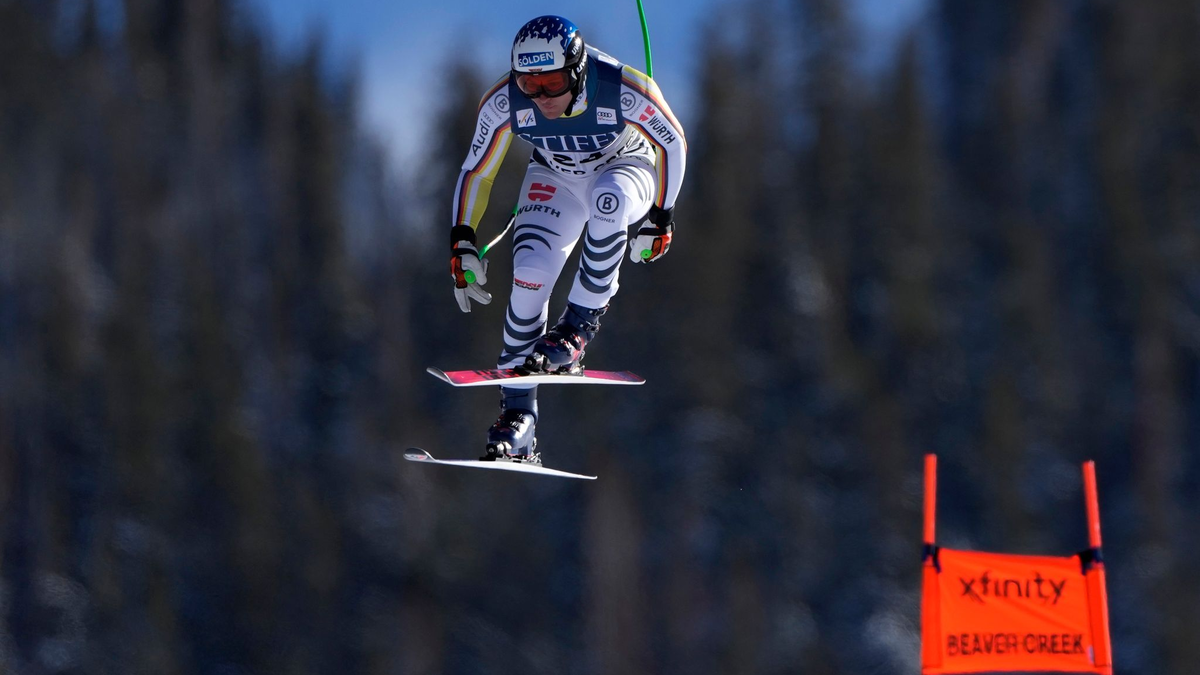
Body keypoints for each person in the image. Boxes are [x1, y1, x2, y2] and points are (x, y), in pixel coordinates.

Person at [449, 15, 687, 461]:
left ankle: (577, 328)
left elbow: (672, 143)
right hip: (555, 173)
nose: (541, 97)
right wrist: (462, 240)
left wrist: (662, 217)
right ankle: (518, 420)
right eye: (529, 84)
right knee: (529, 274)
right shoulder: (503, 101)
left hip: (625, 167)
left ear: (577, 70)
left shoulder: (621, 87)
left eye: (553, 83)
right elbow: (476, 171)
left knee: (608, 202)